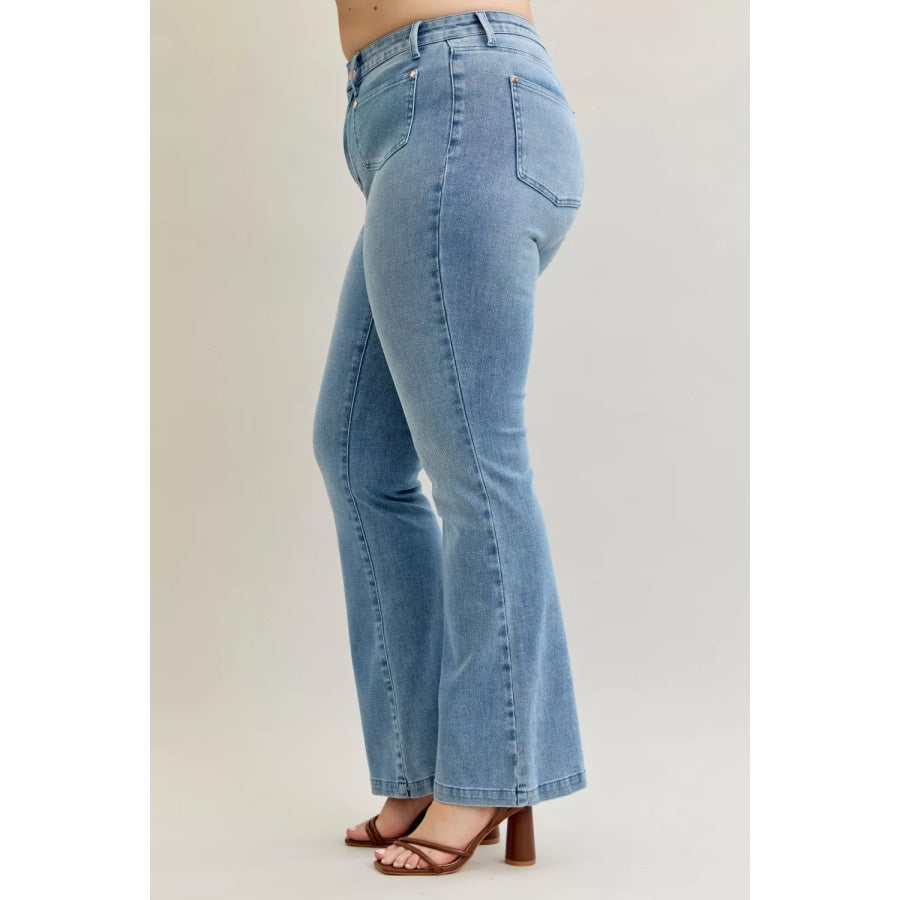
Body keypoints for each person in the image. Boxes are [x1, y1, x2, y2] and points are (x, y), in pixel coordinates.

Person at [313, 3, 588, 875]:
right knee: (357, 455)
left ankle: (489, 770)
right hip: (414, 106)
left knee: (474, 462)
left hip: (456, 90)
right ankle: (423, 767)